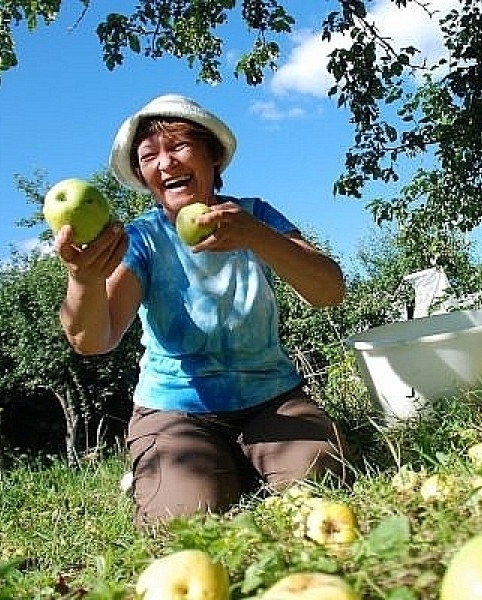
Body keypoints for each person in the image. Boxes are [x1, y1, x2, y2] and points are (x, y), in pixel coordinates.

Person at [53, 93, 350, 527]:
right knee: (184, 521)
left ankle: (240, 462)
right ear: (143, 176)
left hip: (272, 398)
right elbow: (92, 340)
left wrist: (256, 236)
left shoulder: (255, 216)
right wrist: (83, 278)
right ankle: (175, 466)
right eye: (149, 156)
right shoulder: (143, 238)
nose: (165, 163)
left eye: (178, 146)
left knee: (319, 487)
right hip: (175, 411)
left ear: (213, 157)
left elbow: (329, 291)